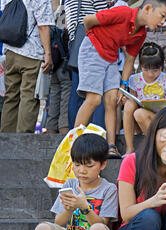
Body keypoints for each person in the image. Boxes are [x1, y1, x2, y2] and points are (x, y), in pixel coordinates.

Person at [73, 0, 166, 159]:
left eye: (165, 18)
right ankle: (73, 144)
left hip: (112, 57)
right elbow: (88, 20)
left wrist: (123, 85)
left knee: (112, 100)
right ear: (147, 8)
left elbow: (130, 60)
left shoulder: (141, 34)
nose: (163, 22)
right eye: (162, 16)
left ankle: (111, 146)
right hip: (93, 49)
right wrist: (94, 39)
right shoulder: (123, 12)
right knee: (94, 99)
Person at [0, 0, 54, 133]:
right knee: (29, 97)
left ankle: (6, 141)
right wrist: (48, 53)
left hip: (10, 52)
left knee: (11, 96)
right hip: (32, 53)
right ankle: (23, 140)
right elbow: (43, 26)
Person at [64, 0, 108, 130]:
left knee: (77, 91)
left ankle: (74, 131)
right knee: (96, 90)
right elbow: (104, 16)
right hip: (92, 41)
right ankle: (96, 132)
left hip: (75, 42)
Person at [123, 42, 166, 156]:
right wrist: (127, 101)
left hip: (161, 119)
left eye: (155, 70)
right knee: (131, 105)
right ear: (140, 65)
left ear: (162, 66)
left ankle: (155, 147)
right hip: (139, 121)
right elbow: (133, 99)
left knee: (139, 113)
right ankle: (129, 148)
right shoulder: (134, 80)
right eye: (146, 69)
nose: (150, 74)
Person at [45, 1, 72, 134]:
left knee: (54, 94)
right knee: (66, 95)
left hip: (52, 59)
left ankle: (50, 131)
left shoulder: (48, 6)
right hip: (64, 59)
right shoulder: (68, 7)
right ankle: (63, 133)